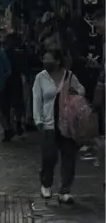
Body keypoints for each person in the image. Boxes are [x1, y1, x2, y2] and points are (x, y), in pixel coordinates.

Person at [32, 46, 84, 204]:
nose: (46, 61)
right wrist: (38, 120)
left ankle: (65, 190)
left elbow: (80, 90)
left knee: (69, 157)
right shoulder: (40, 77)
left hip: (67, 123)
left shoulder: (69, 76)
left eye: (49, 58)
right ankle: (46, 184)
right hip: (49, 123)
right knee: (49, 157)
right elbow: (37, 99)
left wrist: (70, 93)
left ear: (57, 60)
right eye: (44, 58)